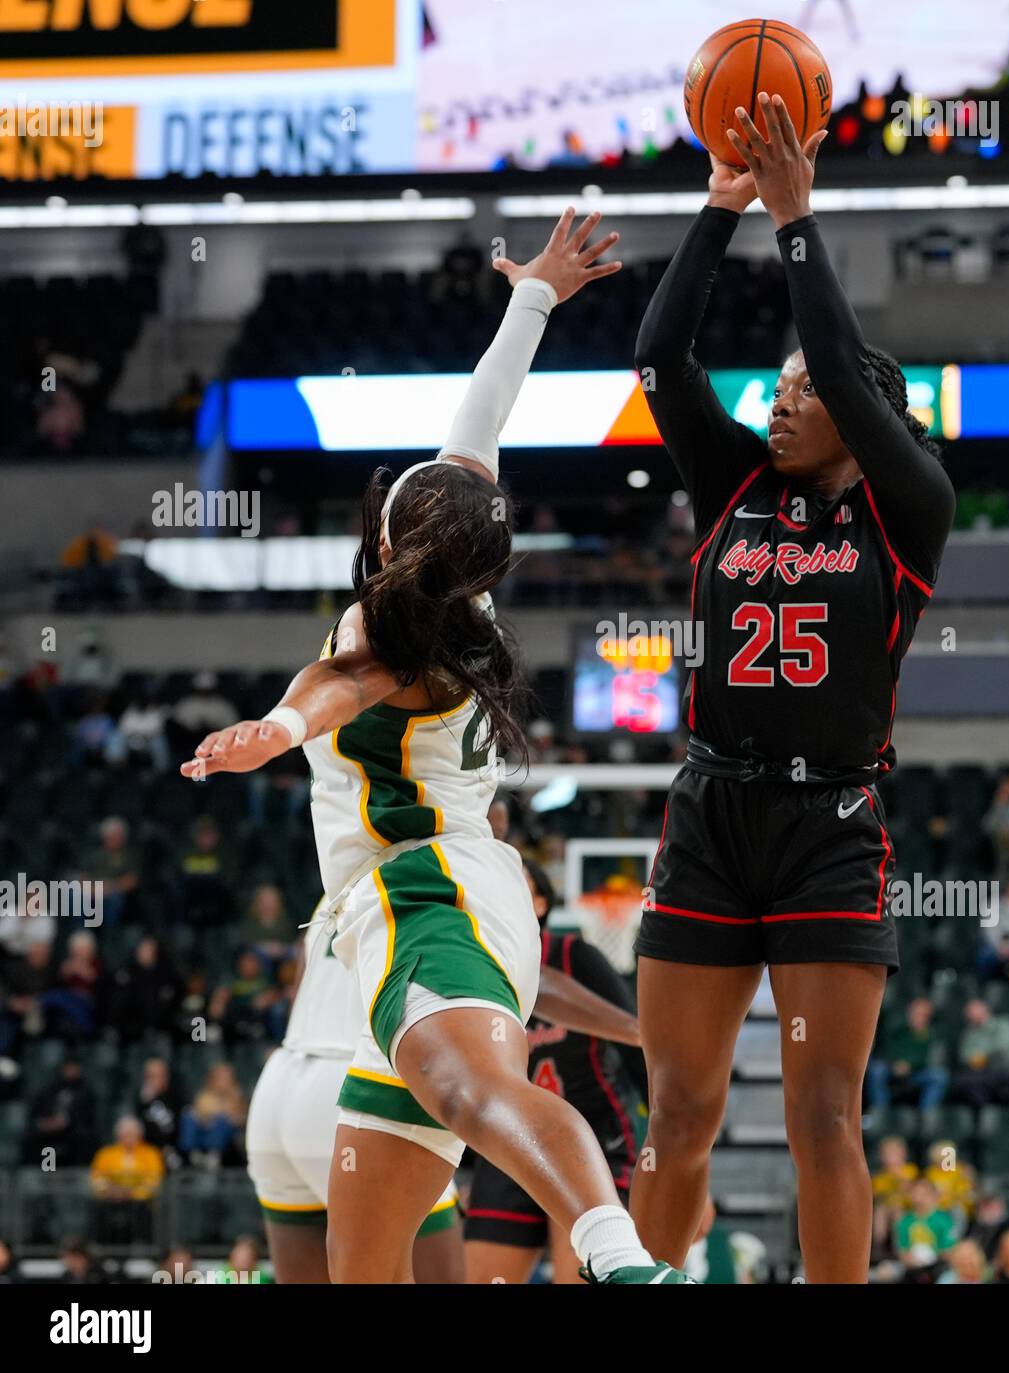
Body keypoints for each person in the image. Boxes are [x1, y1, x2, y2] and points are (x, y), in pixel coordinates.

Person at [183, 210, 688, 1286]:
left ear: (384, 539)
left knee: (475, 1094)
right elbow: (481, 418)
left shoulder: (390, 633)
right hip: (416, 912)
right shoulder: (464, 580)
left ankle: (620, 1256)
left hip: (427, 892)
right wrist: (535, 296)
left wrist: (272, 728)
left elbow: (335, 686)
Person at [629, 91, 954, 1284]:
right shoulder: (731, 485)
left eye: (805, 386)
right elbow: (660, 359)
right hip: (712, 815)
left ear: (866, 415)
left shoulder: (907, 506)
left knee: (825, 1115)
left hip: (831, 826)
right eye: (776, 379)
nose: (780, 394)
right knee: (676, 1115)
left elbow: (847, 373)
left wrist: (800, 220)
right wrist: (720, 215)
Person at [247, 887, 644, 1283]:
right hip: (352, 1081)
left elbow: (301, 984)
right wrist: (637, 1030)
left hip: (280, 1085)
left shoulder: (343, 879)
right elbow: (532, 980)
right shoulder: (445, 876)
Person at [464, 859, 649, 1283]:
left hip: (593, 1138)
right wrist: (464, 1170)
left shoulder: (575, 956)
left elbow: (637, 1043)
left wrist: (673, 1150)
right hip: (508, 1143)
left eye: (520, 884)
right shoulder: (473, 969)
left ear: (541, 902)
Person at [89, 1116, 166, 1244]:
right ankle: (101, 1246)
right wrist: (110, 1192)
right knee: (97, 1210)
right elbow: (97, 1179)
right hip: (111, 1200)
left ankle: (143, 1246)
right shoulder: (105, 1154)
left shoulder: (151, 1154)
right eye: (125, 1135)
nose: (128, 1139)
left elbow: (154, 1181)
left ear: (140, 1135)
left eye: (132, 1135)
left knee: (143, 1212)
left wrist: (131, 1193)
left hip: (140, 1203)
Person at [866, 996, 948, 1108]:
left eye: (923, 1015)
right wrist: (895, 1064)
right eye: (916, 1013)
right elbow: (886, 1050)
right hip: (893, 1069)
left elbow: (930, 1059)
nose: (918, 1017)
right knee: (877, 1070)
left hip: (917, 1072)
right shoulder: (899, 1031)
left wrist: (910, 1066)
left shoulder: (931, 1036)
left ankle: (926, 1116)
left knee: (939, 1076)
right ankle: (881, 1111)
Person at [952, 998, 1009, 1107]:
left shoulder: (1004, 1023)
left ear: (985, 1009)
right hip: (983, 1071)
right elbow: (965, 1056)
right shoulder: (969, 1033)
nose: (971, 1015)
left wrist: (981, 1056)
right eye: (968, 1013)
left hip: (1007, 1068)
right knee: (963, 1081)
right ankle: (985, 1114)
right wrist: (983, 1057)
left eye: (974, 1011)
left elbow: (1004, 1048)